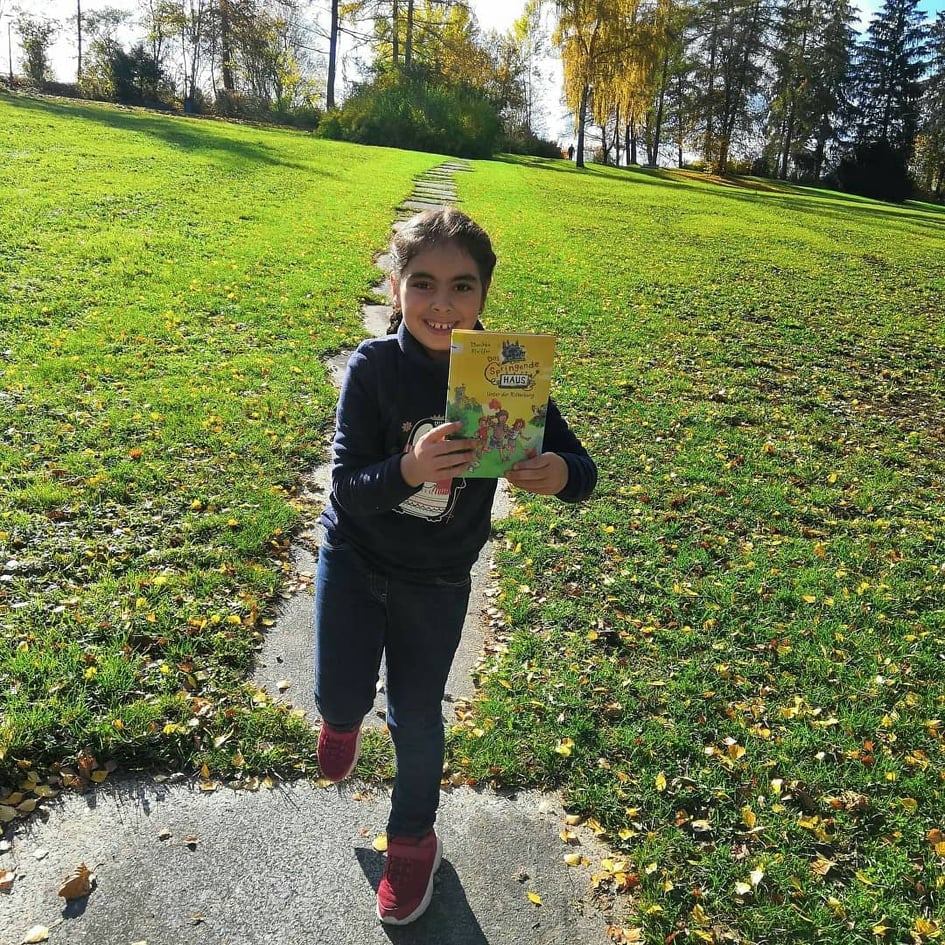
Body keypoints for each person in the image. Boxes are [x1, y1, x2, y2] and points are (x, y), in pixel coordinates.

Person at [313, 207, 598, 926]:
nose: (442, 304)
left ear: (484, 294)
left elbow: (583, 471)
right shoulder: (374, 368)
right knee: (340, 692)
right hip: (353, 561)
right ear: (396, 286)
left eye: (462, 286)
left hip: (435, 581)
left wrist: (558, 472)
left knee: (416, 715)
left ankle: (413, 839)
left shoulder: (507, 373)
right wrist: (408, 468)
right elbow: (345, 487)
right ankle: (341, 720)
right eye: (423, 283)